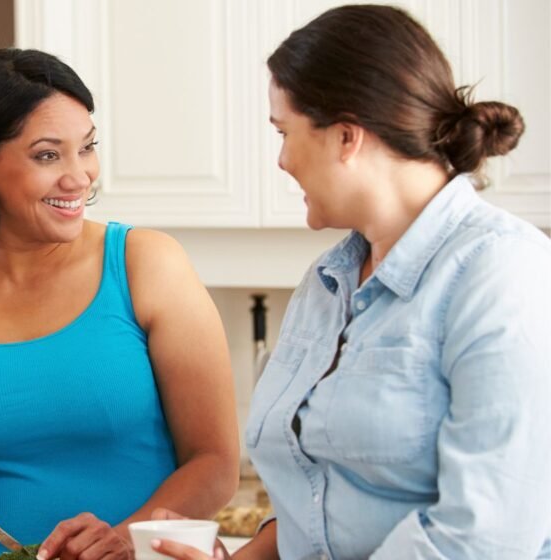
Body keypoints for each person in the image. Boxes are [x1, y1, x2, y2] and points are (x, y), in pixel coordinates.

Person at [152, 5, 551, 560]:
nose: (283, 160)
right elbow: (314, 503)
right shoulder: (327, 283)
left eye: (285, 132)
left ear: (345, 136)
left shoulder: (503, 273)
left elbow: (486, 538)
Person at [0, 48, 239, 560]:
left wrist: (121, 540)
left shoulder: (147, 266)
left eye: (87, 148)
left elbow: (214, 463)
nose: (79, 176)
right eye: (47, 155)